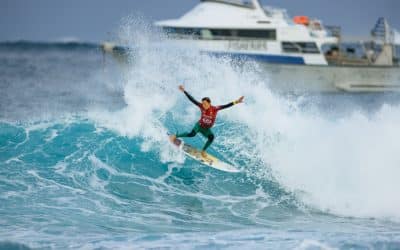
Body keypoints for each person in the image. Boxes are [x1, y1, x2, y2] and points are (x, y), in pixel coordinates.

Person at [170, 85, 244, 157]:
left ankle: (203, 151)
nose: (203, 105)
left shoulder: (215, 109)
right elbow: (192, 99)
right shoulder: (201, 106)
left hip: (206, 129)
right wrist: (184, 91)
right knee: (191, 134)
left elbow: (226, 105)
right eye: (203, 103)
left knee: (211, 137)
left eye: (205, 104)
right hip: (199, 125)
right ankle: (175, 136)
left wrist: (237, 101)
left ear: (209, 103)